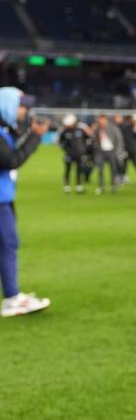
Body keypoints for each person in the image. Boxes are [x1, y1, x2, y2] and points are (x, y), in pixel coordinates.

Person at [0, 87, 51, 318]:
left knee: (8, 245)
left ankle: (12, 296)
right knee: (8, 245)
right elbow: (11, 160)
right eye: (21, 105)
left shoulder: (5, 129)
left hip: (4, 198)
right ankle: (12, 298)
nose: (24, 110)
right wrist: (35, 136)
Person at [93, 115, 125, 194]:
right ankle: (101, 186)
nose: (101, 122)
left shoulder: (113, 127)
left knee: (113, 169)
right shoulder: (97, 129)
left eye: (102, 120)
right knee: (100, 169)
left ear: (105, 120)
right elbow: (94, 138)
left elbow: (119, 139)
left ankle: (113, 186)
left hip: (111, 151)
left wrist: (118, 151)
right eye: (99, 120)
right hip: (101, 151)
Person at [58, 114, 90, 194]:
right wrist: (65, 149)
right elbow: (60, 142)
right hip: (69, 154)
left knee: (79, 170)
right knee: (68, 170)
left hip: (79, 154)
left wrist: (84, 150)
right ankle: (66, 186)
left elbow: (87, 140)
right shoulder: (65, 132)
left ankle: (78, 186)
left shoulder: (80, 130)